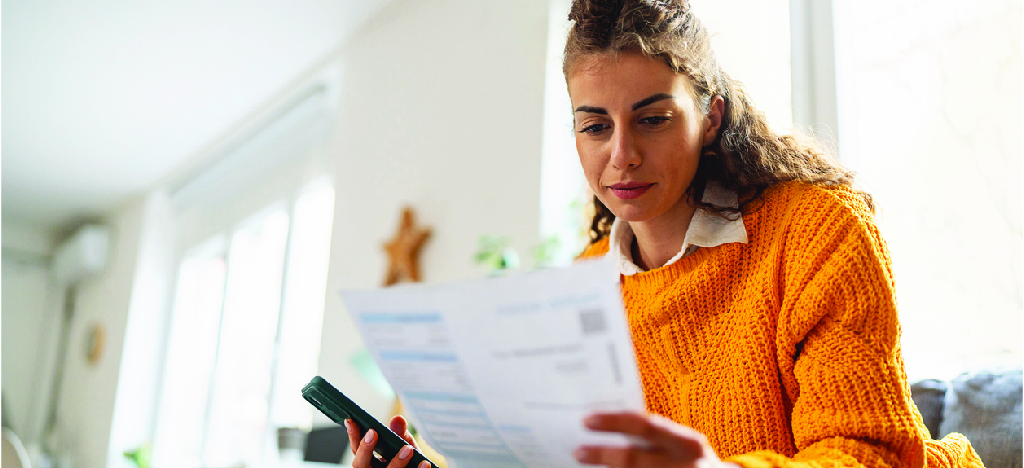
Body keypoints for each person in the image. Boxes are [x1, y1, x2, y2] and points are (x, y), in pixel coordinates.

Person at [346, 1, 985, 467]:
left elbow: (873, 453)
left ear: (710, 118)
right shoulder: (581, 283)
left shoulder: (815, 231)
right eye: (594, 126)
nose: (621, 156)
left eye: (652, 119)